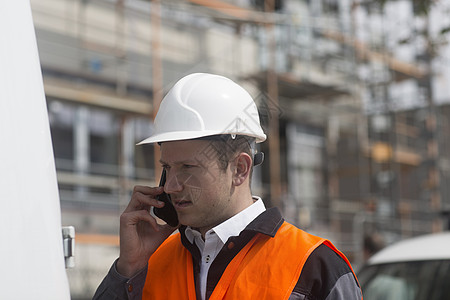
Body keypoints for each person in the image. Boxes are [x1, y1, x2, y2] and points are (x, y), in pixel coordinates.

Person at [93, 73, 362, 300]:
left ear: (240, 169)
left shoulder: (314, 266)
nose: (172, 186)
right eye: (167, 168)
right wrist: (128, 268)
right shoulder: (148, 264)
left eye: (188, 167)